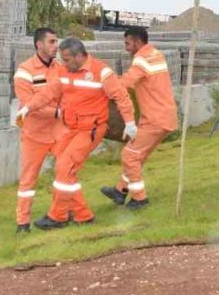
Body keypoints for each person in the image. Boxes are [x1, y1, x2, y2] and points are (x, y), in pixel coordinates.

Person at [16, 37, 136, 230]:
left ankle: (57, 216)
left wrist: (130, 122)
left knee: (65, 167)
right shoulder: (64, 72)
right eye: (62, 60)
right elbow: (48, 93)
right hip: (72, 128)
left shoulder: (101, 72)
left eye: (67, 59)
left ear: (80, 56)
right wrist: (28, 108)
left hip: (91, 130)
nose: (64, 63)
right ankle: (83, 215)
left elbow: (121, 97)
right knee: (64, 170)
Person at [101, 26, 177, 210]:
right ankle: (120, 190)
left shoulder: (142, 60)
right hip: (163, 117)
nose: (126, 47)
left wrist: (104, 86)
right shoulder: (155, 54)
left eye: (127, 43)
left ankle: (140, 198)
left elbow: (126, 83)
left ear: (137, 41)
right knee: (137, 155)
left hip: (155, 119)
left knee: (129, 155)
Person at [12, 27, 68, 233]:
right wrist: (57, 113)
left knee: (66, 171)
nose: (56, 46)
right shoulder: (24, 72)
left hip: (58, 131)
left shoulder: (59, 67)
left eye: (56, 41)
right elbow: (29, 105)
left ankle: (61, 213)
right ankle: (22, 223)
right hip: (34, 134)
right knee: (28, 179)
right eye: (52, 42)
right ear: (39, 45)